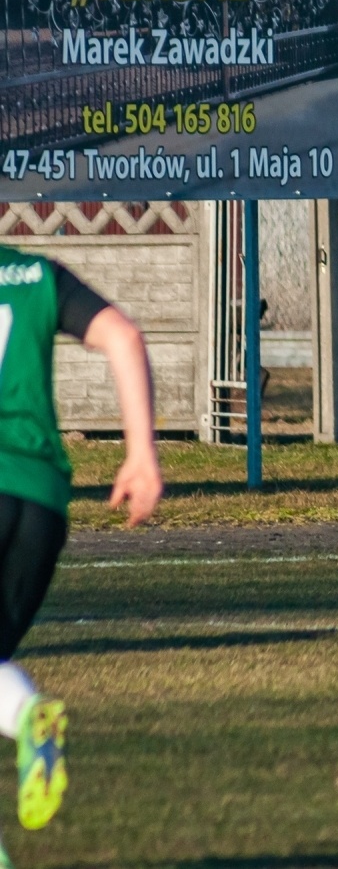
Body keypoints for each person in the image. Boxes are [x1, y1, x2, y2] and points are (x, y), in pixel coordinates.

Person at [0, 243, 162, 836]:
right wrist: (141, 454)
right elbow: (123, 336)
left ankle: (27, 714)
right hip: (41, 501)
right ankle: (29, 716)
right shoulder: (36, 275)